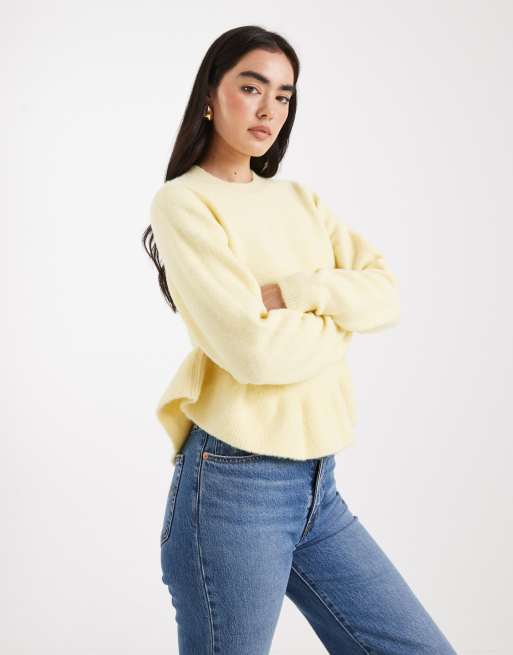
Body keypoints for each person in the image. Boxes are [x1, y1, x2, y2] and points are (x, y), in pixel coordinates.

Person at [142, 24, 457, 655]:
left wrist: (296, 291)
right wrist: (342, 320)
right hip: (233, 485)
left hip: (319, 486)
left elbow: (385, 295)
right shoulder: (184, 203)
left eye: (283, 95)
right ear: (211, 95)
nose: (269, 109)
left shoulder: (299, 200)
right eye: (251, 87)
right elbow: (255, 353)